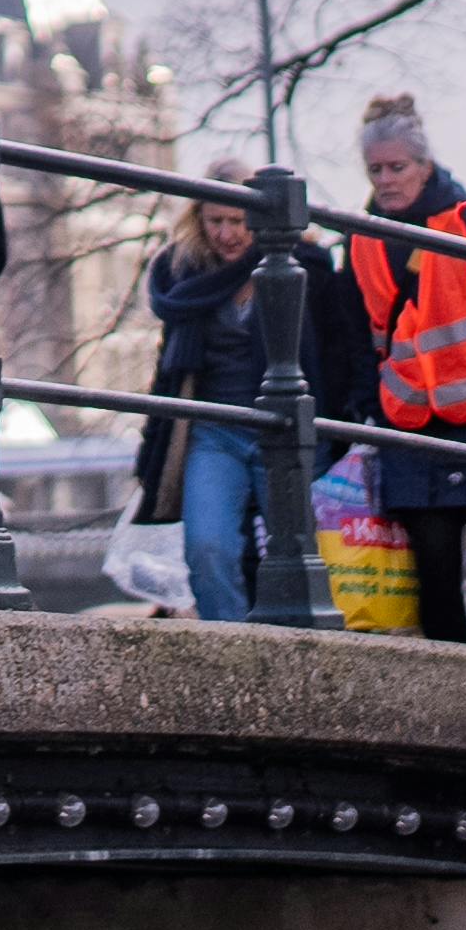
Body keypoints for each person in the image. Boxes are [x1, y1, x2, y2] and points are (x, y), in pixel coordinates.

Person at [341, 94, 466, 648]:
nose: (386, 180)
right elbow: (359, 333)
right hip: (410, 420)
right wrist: (370, 403)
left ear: (425, 167)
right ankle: (457, 688)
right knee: (433, 564)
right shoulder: (360, 241)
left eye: (397, 167)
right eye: (376, 170)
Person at [140, 192, 269, 622]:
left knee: (300, 549)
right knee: (207, 546)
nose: (227, 233)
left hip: (283, 431)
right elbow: (168, 370)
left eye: (238, 220)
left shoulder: (296, 264)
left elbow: (334, 351)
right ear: (199, 220)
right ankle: (231, 648)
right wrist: (151, 449)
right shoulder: (184, 276)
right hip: (214, 432)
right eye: (215, 220)